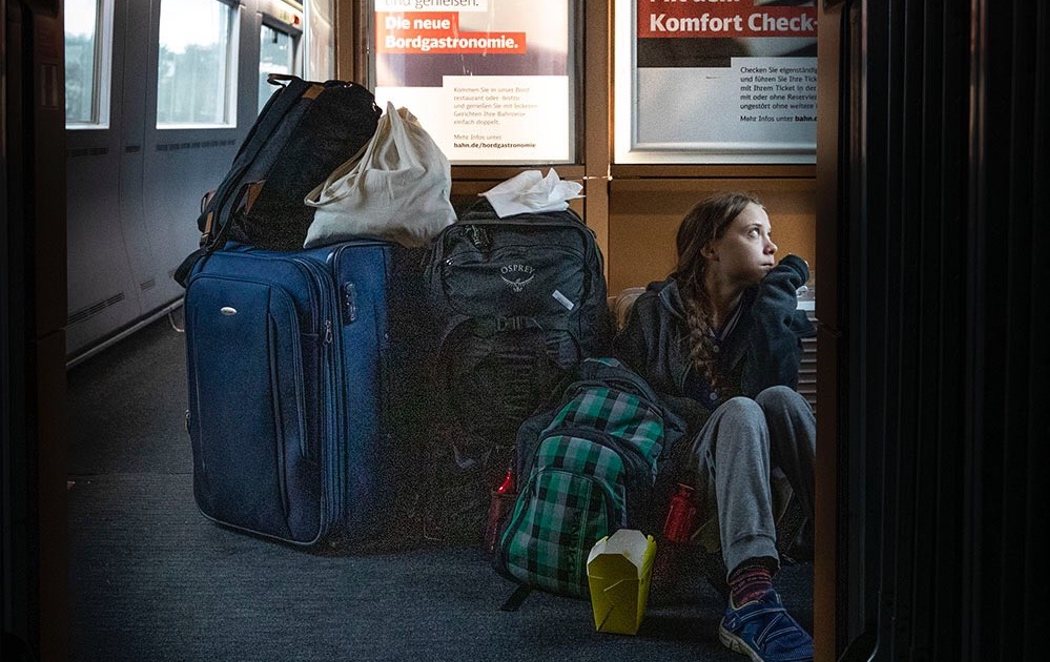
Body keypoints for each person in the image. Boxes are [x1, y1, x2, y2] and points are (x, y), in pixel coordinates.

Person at [613, 192, 816, 662]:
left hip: (761, 493)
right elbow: (634, 408)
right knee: (742, 410)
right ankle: (748, 600)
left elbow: (772, 394)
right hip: (684, 490)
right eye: (753, 232)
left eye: (770, 233)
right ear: (710, 247)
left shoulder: (764, 312)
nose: (771, 246)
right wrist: (713, 422)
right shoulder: (654, 313)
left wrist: (774, 307)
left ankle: (858, 554)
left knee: (779, 400)